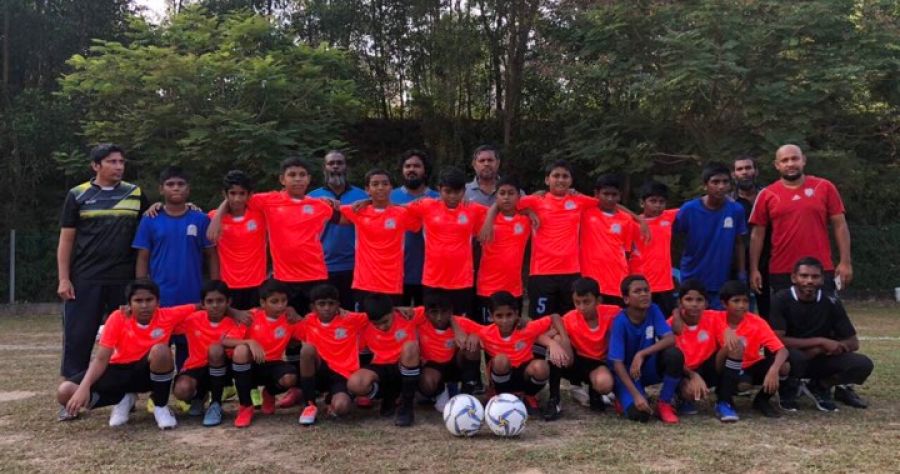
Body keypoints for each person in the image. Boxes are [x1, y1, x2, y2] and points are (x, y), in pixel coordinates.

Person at [57, 143, 148, 380]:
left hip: (124, 279)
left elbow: (153, 222)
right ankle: (73, 389)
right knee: (79, 335)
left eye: (121, 162)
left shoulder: (135, 193)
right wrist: (64, 279)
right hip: (86, 278)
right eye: (112, 162)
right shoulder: (77, 195)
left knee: (127, 336)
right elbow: (66, 240)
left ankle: (126, 392)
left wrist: (179, 207)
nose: (119, 167)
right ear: (96, 165)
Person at [56, 279, 198, 429]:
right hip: (119, 372)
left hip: (147, 374)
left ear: (158, 302)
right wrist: (84, 388)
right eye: (138, 301)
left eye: (149, 300)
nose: (144, 305)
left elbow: (201, 306)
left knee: (161, 351)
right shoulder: (118, 317)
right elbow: (101, 359)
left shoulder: (168, 315)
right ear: (129, 303)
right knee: (65, 392)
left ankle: (160, 406)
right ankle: (122, 398)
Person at [209, 156, 336, 316]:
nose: (297, 179)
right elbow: (237, 197)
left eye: (302, 174)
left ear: (309, 178)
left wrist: (361, 203)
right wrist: (217, 216)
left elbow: (349, 216)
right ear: (282, 179)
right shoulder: (268, 201)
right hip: (283, 278)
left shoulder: (320, 205)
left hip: (315, 274)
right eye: (292, 174)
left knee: (318, 321)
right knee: (287, 321)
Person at [133, 166, 217, 371]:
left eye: (181, 184)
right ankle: (157, 389)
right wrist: (141, 291)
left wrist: (215, 289)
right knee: (155, 351)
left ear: (188, 189)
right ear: (161, 189)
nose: (176, 188)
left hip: (192, 298)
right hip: (161, 299)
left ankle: (185, 386)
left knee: (188, 356)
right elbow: (143, 257)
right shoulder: (150, 219)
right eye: (170, 184)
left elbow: (212, 256)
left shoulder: (200, 219)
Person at [769, 257, 873, 412]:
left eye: (815, 276)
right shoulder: (780, 299)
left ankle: (820, 386)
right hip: (790, 357)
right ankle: (788, 387)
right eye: (804, 276)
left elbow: (853, 342)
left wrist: (826, 348)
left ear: (822, 279)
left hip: (820, 357)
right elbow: (776, 340)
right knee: (796, 357)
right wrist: (820, 341)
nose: (809, 281)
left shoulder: (831, 301)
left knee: (862, 364)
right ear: (794, 278)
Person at [749, 144, 852, 297]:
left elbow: (840, 225)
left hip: (819, 268)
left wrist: (845, 262)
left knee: (822, 312)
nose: (790, 164)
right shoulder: (766, 194)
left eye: (795, 158)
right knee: (785, 312)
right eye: (785, 160)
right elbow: (757, 235)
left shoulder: (824, 187)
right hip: (782, 269)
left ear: (803, 160)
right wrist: (754, 269)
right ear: (777, 165)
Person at [454, 291, 568, 416]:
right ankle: (499, 396)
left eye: (509, 315)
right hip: (500, 373)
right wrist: (467, 334)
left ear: (516, 314)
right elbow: (453, 318)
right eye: (499, 316)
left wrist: (557, 342)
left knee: (541, 367)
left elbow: (554, 317)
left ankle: (528, 396)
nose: (505, 320)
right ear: (491, 316)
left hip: (523, 375)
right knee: (501, 360)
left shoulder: (527, 328)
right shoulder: (485, 332)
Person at [515, 161, 598, 318]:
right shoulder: (535, 200)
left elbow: (608, 204)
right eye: (556, 176)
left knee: (570, 321)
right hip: (541, 273)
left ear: (571, 181)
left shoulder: (579, 201)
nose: (560, 180)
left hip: (571, 272)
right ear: (547, 180)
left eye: (565, 176)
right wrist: (528, 211)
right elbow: (506, 204)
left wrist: (638, 218)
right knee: (541, 322)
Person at [406, 167, 487, 317]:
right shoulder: (427, 206)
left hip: (462, 281)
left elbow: (503, 209)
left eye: (457, 192)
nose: (452, 196)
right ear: (439, 189)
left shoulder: (473, 209)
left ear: (464, 191)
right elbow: (396, 209)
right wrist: (369, 201)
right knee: (433, 324)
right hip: (433, 280)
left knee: (460, 324)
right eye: (447, 191)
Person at [224, 279, 302, 428]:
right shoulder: (251, 316)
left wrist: (299, 317)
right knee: (241, 350)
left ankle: (269, 393)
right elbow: (225, 341)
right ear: (262, 302)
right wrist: (249, 342)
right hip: (251, 365)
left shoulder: (289, 318)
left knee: (290, 378)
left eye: (284, 301)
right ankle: (245, 406)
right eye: (274, 301)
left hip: (274, 364)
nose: (280, 305)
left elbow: (312, 331)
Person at [338, 169, 420, 310]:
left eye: (385, 183)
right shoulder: (359, 211)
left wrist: (370, 200)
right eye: (375, 184)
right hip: (364, 283)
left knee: (390, 322)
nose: (380, 187)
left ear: (391, 188)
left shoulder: (402, 213)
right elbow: (328, 212)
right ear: (367, 189)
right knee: (365, 322)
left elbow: (424, 218)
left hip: (392, 283)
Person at [608, 275, 684, 424]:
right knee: (640, 415)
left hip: (646, 367)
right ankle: (623, 396)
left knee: (674, 355)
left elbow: (670, 339)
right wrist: (636, 395)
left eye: (646, 290)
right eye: (637, 291)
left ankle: (664, 403)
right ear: (626, 299)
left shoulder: (653, 309)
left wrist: (642, 354)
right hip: (627, 373)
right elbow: (617, 364)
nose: (644, 294)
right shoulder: (620, 321)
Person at [171, 280, 247, 427]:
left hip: (223, 368)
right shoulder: (193, 319)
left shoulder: (235, 321)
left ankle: (215, 404)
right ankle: (199, 397)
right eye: (210, 301)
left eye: (220, 301)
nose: (215, 305)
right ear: (203, 304)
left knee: (215, 349)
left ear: (228, 302)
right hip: (196, 367)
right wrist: (194, 307)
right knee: (182, 390)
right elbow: (169, 319)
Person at [714, 280, 792, 419]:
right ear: (724, 304)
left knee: (784, 367)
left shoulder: (757, 322)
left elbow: (782, 350)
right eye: (736, 301)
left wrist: (774, 370)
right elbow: (689, 312)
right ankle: (724, 400)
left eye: (745, 301)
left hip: (752, 364)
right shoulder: (714, 318)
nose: (741, 305)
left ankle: (762, 400)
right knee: (735, 348)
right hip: (724, 367)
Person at [294, 284, 371, 425]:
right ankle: (309, 405)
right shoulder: (308, 321)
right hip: (320, 371)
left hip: (343, 375)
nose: (327, 308)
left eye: (331, 303)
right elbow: (280, 322)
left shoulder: (351, 319)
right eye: (321, 304)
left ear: (338, 305)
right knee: (307, 350)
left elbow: (378, 312)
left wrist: (399, 309)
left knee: (342, 407)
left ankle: (332, 400)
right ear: (313, 307)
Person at [674, 162, 747, 309]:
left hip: (721, 279)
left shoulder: (736, 210)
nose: (721, 186)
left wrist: (741, 272)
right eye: (715, 182)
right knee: (692, 319)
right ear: (705, 185)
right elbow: (673, 238)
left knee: (717, 320)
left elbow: (739, 242)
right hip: (692, 277)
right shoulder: (689, 209)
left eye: (725, 182)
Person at [545, 277, 617, 421]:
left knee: (605, 384)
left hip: (598, 364)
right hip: (575, 363)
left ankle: (595, 391)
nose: (582, 307)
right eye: (577, 302)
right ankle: (554, 399)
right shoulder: (570, 318)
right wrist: (557, 341)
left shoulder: (613, 313)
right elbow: (544, 335)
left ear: (598, 300)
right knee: (557, 340)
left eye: (586, 302)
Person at [347, 294, 421, 427]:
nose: (382, 327)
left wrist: (398, 308)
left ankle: (406, 407)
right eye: (377, 324)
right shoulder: (364, 323)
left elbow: (436, 308)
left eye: (385, 321)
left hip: (403, 366)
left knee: (411, 347)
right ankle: (388, 396)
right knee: (355, 383)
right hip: (380, 369)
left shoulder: (408, 316)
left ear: (392, 311)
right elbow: (340, 314)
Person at [309, 151, 369, 309]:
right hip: (322, 267)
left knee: (352, 313)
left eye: (339, 163)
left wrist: (369, 201)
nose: (335, 166)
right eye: (331, 163)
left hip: (355, 266)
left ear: (346, 167)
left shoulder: (362, 197)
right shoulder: (312, 197)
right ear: (324, 168)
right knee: (326, 313)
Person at [400, 292, 481, 409]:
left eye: (444, 312)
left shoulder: (461, 322)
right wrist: (397, 309)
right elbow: (391, 313)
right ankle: (441, 391)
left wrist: (475, 336)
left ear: (451, 311)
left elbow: (488, 332)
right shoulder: (419, 316)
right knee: (427, 383)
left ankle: (467, 393)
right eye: (434, 312)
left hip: (455, 364)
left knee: (473, 345)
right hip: (432, 366)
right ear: (426, 313)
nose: (439, 317)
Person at [666, 279, 730, 420]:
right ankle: (681, 396)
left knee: (734, 347)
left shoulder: (714, 318)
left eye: (699, 300)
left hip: (706, 368)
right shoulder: (670, 324)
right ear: (680, 302)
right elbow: (668, 358)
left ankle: (724, 400)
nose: (694, 304)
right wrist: (693, 376)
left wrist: (731, 337)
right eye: (689, 299)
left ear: (706, 303)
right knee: (675, 365)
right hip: (683, 371)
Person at [474, 175, 531, 323]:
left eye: (511, 193)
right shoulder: (483, 217)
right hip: (487, 288)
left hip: (514, 289)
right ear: (496, 196)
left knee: (512, 331)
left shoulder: (526, 220)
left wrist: (529, 211)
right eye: (502, 193)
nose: (506, 197)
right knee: (486, 332)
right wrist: (492, 213)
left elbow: (541, 197)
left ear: (519, 196)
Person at [208, 170, 266, 310]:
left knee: (255, 322)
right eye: (233, 193)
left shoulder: (260, 214)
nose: (237, 199)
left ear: (250, 195)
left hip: (257, 283)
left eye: (242, 193)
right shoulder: (213, 218)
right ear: (225, 194)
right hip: (228, 285)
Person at [580, 175, 641, 306]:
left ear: (619, 196)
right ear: (596, 194)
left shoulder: (626, 219)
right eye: (606, 194)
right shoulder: (585, 212)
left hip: (617, 280)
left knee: (614, 316)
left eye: (614, 195)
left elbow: (627, 251)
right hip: (591, 279)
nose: (610, 198)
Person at [389, 150, 440, 306]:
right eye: (407, 166)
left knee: (427, 319)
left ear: (425, 170)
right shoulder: (389, 196)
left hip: (430, 275)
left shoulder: (438, 198)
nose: (411, 169)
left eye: (417, 166)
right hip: (396, 273)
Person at [631, 181, 679, 317]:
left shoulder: (668, 217)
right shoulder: (631, 223)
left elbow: (694, 206)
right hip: (640, 283)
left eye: (661, 201)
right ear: (642, 203)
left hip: (664, 284)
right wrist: (637, 218)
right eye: (653, 201)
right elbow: (615, 207)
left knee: (666, 322)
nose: (657, 205)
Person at [732, 156, 772, 317]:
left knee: (769, 310)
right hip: (736, 264)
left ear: (756, 171)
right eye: (740, 169)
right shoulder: (728, 201)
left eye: (748, 168)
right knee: (739, 311)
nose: (744, 172)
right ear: (734, 174)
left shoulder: (770, 196)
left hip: (769, 261)